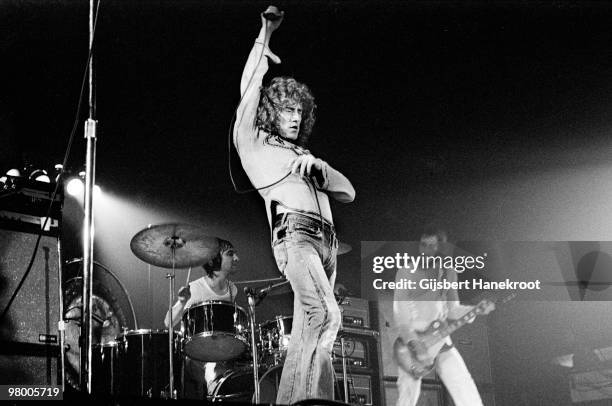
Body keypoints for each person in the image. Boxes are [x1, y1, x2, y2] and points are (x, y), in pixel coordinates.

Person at [233, 6, 356, 403]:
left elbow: (348, 192)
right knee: (326, 316)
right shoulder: (254, 142)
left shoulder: (302, 153)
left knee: (308, 330)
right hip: (297, 236)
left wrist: (320, 168)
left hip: (327, 243)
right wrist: (265, 35)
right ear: (272, 111)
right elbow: (251, 85)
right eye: (287, 109)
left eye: (299, 111)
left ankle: (290, 400)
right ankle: (315, 401)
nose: (294, 116)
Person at [393, 225, 493, 406]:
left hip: (440, 341)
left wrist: (475, 309)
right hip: (412, 343)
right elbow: (401, 317)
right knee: (407, 397)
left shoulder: (449, 272)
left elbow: (453, 310)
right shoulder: (406, 272)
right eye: (423, 245)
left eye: (432, 246)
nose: (426, 250)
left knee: (464, 386)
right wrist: (416, 344)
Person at [164, 238, 239, 400]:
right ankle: (216, 393)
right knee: (214, 366)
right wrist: (183, 301)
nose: (236, 259)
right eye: (230, 254)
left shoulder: (233, 289)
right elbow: (167, 322)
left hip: (224, 352)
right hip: (197, 358)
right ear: (215, 259)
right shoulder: (196, 288)